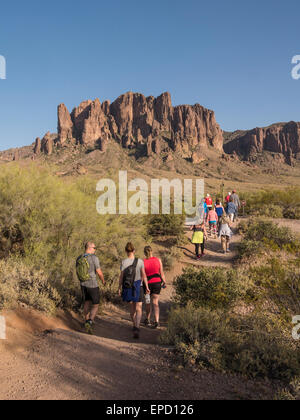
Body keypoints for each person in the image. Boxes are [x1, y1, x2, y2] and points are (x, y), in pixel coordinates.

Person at [119, 242, 150, 339]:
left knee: (132, 309)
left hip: (128, 287)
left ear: (126, 251)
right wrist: (147, 286)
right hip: (138, 286)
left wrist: (119, 287)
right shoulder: (140, 261)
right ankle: (137, 326)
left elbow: (121, 276)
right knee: (139, 308)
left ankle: (134, 324)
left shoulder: (124, 262)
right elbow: (144, 275)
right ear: (134, 250)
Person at [76, 242, 106, 335]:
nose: (95, 249)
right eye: (94, 248)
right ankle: (90, 321)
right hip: (93, 284)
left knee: (86, 302)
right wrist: (103, 281)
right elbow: (99, 272)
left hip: (83, 284)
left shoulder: (79, 258)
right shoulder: (94, 258)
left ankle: (86, 321)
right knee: (96, 304)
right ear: (89, 248)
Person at [143, 246, 167, 329]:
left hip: (147, 284)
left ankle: (148, 319)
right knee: (155, 303)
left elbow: (143, 276)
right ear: (152, 251)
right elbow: (162, 273)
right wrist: (164, 282)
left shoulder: (143, 262)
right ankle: (157, 321)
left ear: (144, 253)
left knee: (148, 302)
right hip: (157, 283)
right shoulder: (158, 260)